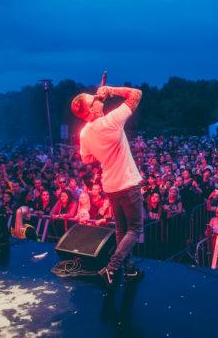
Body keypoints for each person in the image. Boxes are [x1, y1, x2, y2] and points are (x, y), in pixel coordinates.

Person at [71, 84, 144, 287]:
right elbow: (136, 94)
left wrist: (102, 152)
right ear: (91, 109)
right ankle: (112, 268)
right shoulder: (111, 120)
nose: (97, 99)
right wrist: (110, 91)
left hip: (110, 186)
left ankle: (128, 270)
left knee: (122, 230)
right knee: (135, 229)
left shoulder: (84, 133)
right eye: (93, 99)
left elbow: (86, 159)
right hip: (128, 183)